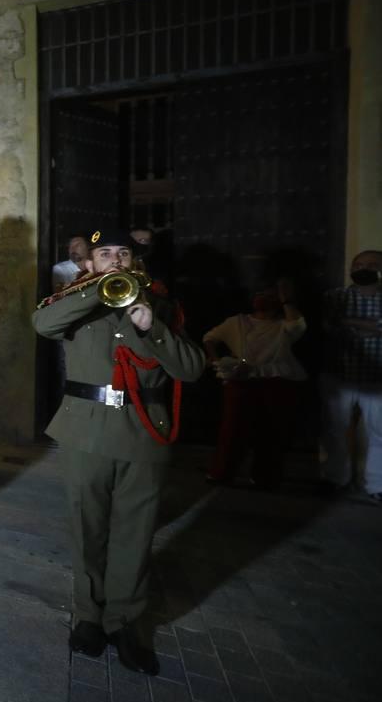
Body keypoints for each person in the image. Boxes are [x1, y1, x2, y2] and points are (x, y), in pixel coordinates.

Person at [33, 228, 203, 675]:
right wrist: (96, 293)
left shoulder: (161, 305)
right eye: (103, 254)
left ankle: (126, 622)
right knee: (87, 527)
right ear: (87, 263)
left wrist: (153, 327)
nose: (114, 261)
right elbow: (43, 325)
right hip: (86, 430)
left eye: (122, 253)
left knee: (135, 531)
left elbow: (191, 368)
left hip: (143, 431)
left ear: (136, 262)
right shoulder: (73, 302)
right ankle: (89, 616)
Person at [202, 280, 307, 489]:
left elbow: (298, 325)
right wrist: (217, 362)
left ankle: (266, 476)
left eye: (269, 295)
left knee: (273, 431)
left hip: (277, 381)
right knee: (232, 430)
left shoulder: (283, 325)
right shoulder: (237, 322)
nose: (263, 299)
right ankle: (221, 472)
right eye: (259, 294)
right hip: (241, 381)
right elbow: (210, 338)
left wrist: (287, 299)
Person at [319, 250, 382, 500]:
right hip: (339, 374)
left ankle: (377, 485)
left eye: (371, 264)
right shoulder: (335, 296)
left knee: (380, 433)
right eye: (358, 264)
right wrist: (374, 326)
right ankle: (335, 479)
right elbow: (327, 327)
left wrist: (348, 323)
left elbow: (339, 325)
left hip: (378, 377)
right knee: (334, 431)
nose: (363, 268)